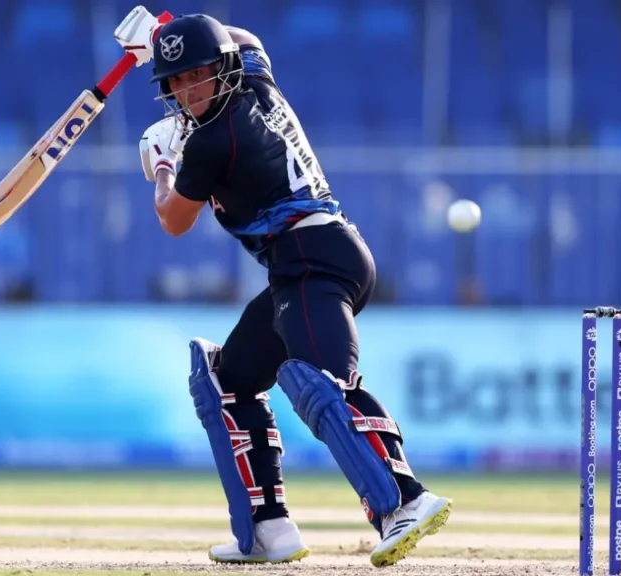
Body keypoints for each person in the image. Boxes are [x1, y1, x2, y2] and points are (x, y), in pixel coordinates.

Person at [113, 7, 452, 568]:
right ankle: (270, 530)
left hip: (313, 258)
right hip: (307, 261)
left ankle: (406, 501)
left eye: (198, 74)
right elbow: (245, 37)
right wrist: (160, 36)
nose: (189, 91)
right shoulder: (256, 78)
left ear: (221, 68)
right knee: (227, 381)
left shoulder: (211, 143)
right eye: (176, 81)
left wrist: (164, 165)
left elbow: (173, 220)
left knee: (321, 382)